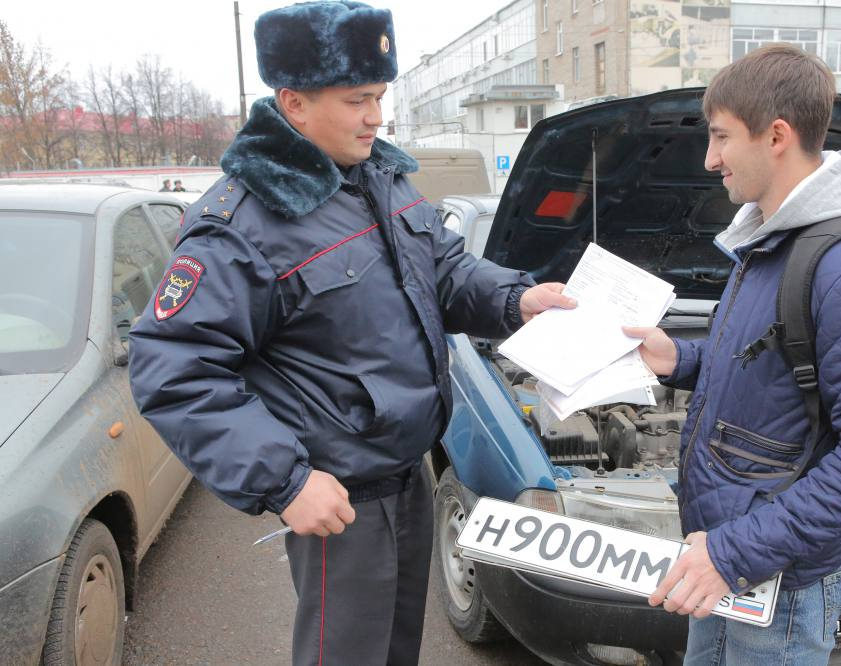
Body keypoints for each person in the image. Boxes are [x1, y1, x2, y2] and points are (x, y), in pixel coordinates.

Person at [127, 2, 574, 664]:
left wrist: (516, 297)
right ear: (294, 104)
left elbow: (443, 269)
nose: (377, 115)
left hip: (407, 475)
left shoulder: (378, 179)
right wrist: (284, 480)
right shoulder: (242, 223)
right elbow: (173, 367)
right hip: (335, 496)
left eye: (381, 96)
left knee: (395, 651)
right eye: (359, 99)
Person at [624, 44, 841, 664]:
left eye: (721, 138)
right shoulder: (773, 238)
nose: (710, 161)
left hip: (780, 584)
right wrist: (678, 360)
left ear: (778, 136)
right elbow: (771, 371)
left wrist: (735, 554)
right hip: (728, 556)